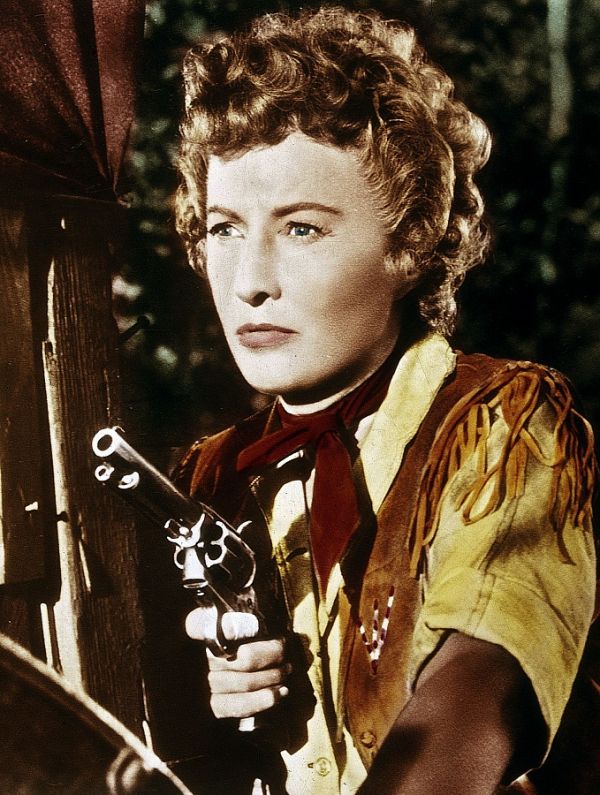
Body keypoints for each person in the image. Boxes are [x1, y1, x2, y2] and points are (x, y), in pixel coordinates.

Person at [172, 7, 597, 794]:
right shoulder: (209, 479)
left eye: (301, 229)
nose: (249, 280)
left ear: (409, 242)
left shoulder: (501, 426)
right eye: (225, 228)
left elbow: (475, 694)